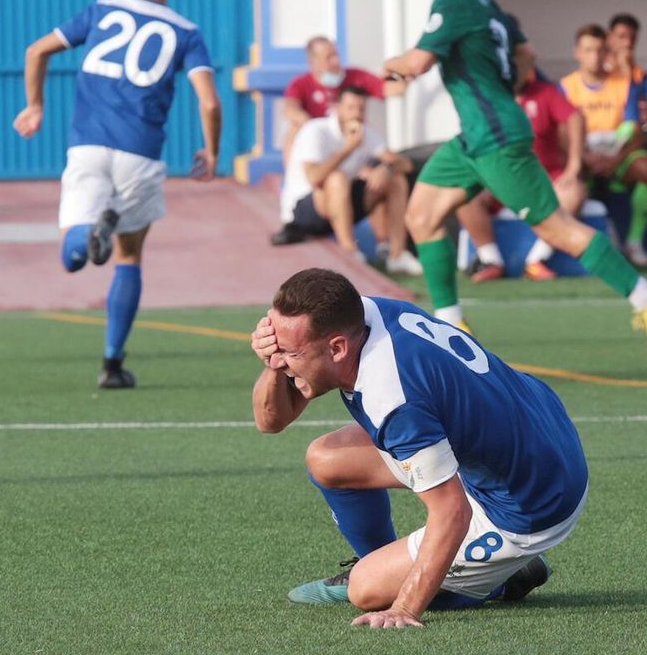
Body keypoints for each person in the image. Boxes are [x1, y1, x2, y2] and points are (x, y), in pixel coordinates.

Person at [381, 0, 647, 363]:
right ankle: (452, 327)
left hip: (495, 137)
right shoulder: (485, 2)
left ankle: (646, 296)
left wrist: (391, 64)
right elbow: (525, 52)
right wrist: (505, 87)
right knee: (421, 217)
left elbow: (418, 64)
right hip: (475, 138)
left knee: (555, 227)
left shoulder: (453, 0)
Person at [250, 268, 584, 626]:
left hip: (532, 501)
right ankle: (384, 563)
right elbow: (272, 420)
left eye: (290, 353)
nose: (282, 361)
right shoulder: (361, 314)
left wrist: (403, 607)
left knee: (365, 590)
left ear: (336, 348)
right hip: (534, 429)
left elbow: (453, 513)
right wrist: (275, 360)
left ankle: (502, 576)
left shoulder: (391, 396)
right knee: (327, 458)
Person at [14, 0, 221, 389]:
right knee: (129, 255)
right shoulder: (186, 32)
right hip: (141, 155)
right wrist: (212, 149)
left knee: (72, 254)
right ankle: (111, 364)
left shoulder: (102, 10)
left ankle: (87, 236)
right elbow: (208, 102)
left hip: (88, 145)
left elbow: (36, 50)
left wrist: (34, 106)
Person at [274, 84, 422, 274]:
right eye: (351, 108)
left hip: (342, 205)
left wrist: (386, 167)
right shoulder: (316, 130)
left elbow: (405, 164)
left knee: (395, 180)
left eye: (361, 108)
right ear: (338, 108)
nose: (356, 114)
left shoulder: (367, 134)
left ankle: (397, 255)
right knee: (336, 178)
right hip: (304, 211)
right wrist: (349, 148)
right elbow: (314, 177)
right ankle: (350, 252)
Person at [458, 69, 586, 281]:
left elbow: (574, 118)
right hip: (499, 180)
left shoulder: (545, 92)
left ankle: (537, 259)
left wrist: (574, 166)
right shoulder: (488, 97)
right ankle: (490, 259)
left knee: (575, 191)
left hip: (543, 180)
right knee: (462, 191)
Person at [561, 24, 647, 267]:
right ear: (577, 52)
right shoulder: (565, 87)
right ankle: (571, 248)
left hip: (619, 155)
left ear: (607, 52)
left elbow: (637, 131)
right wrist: (585, 157)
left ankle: (634, 242)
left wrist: (614, 159)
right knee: (570, 182)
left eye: (599, 50)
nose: (594, 57)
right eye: (588, 50)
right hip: (584, 157)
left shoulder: (624, 84)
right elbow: (561, 134)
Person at [280, 36, 384, 161]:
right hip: (320, 139)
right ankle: (296, 178)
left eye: (336, 55)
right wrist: (310, 125)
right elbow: (290, 109)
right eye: (329, 57)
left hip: (349, 135)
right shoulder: (300, 84)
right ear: (313, 62)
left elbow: (387, 89)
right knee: (294, 130)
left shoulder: (355, 77)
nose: (336, 61)